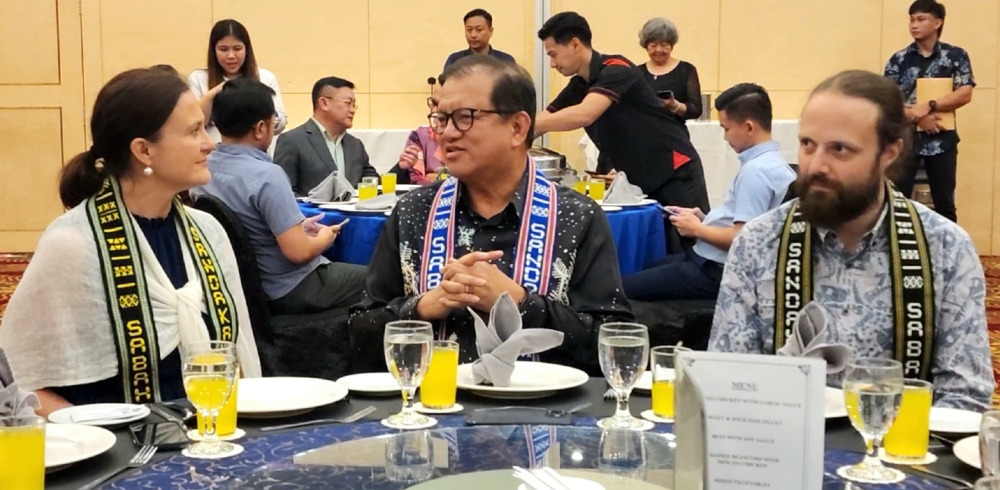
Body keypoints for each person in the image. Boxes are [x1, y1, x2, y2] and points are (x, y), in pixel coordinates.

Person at [708, 70, 993, 411]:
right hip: (782, 452)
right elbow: (730, 381)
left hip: (900, 456)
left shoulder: (945, 249)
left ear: (888, 153)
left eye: (840, 149)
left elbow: (965, 399)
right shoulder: (758, 242)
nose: (816, 166)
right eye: (807, 145)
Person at [0, 69, 261, 416]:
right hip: (115, 453)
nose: (209, 143)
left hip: (210, 434)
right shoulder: (75, 244)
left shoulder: (208, 231)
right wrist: (101, 436)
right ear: (144, 150)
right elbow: (19, 382)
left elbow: (238, 356)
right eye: (193, 131)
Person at [349, 55, 633, 374]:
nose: (446, 133)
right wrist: (421, 308)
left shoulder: (576, 216)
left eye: (465, 117)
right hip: (431, 410)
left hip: (545, 416)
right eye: (440, 118)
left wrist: (521, 303)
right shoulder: (415, 211)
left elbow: (615, 346)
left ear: (517, 127)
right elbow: (359, 334)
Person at [189, 78, 366, 315]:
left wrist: (298, 228)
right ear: (261, 128)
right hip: (290, 288)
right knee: (381, 277)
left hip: (238, 286)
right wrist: (325, 236)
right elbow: (299, 252)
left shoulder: (203, 168)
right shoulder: (267, 175)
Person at [623, 83, 794, 302]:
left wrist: (697, 229)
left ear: (749, 127)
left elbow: (743, 240)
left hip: (716, 269)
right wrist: (705, 220)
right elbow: (752, 224)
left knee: (625, 288)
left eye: (726, 128)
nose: (725, 137)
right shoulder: (774, 164)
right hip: (712, 260)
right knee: (649, 267)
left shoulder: (757, 172)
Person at [534, 12, 710, 219]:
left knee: (689, 244)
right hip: (641, 176)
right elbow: (542, 121)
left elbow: (585, 114)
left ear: (574, 44)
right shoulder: (578, 85)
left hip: (674, 171)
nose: (552, 64)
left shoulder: (617, 69)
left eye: (553, 54)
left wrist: (525, 125)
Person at [883, 0, 974, 223]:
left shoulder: (956, 56)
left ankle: (947, 254)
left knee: (945, 203)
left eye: (921, 19)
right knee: (897, 201)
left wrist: (930, 105)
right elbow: (888, 100)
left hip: (942, 140)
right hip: (905, 141)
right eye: (911, 19)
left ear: (937, 22)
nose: (914, 24)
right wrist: (919, 119)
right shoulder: (899, 59)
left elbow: (964, 93)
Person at [187, 19, 287, 144]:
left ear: (246, 50)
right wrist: (215, 92)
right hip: (212, 155)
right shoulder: (198, 78)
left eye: (237, 48)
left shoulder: (265, 77)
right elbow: (194, 124)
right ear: (214, 51)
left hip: (255, 156)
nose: (231, 56)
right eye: (223, 49)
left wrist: (268, 119)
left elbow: (281, 122)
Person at [275, 76, 379, 194]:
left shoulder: (355, 145)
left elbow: (374, 184)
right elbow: (283, 193)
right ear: (324, 103)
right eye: (348, 103)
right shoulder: (292, 141)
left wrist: (400, 168)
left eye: (354, 105)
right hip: (312, 212)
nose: (353, 110)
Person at [637, 17, 702, 128]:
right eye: (653, 45)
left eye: (664, 45)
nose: (659, 50)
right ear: (646, 47)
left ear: (672, 46)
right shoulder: (637, 72)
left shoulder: (686, 70)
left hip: (675, 134)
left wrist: (674, 106)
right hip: (643, 134)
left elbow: (695, 109)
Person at [396, 73, 447, 185]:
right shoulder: (419, 135)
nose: (433, 111)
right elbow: (415, 178)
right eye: (433, 103)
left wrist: (434, 176)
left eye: (439, 104)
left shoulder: (473, 135)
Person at [443, 9, 516, 69]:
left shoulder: (505, 60)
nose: (473, 35)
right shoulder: (455, 60)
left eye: (479, 29)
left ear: (490, 31)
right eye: (469, 30)